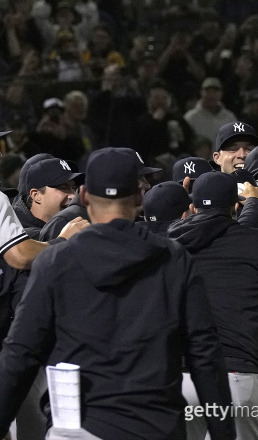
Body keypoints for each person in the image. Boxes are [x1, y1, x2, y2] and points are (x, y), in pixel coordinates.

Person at [0, 147, 235, 440]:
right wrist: (223, 432)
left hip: (78, 429)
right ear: (139, 197)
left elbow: (21, 353)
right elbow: (205, 356)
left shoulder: (56, 261)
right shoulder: (173, 258)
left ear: (84, 196)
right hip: (155, 427)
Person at [168, 171, 258, 440]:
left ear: (192, 208)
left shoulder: (169, 245)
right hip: (235, 377)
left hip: (182, 379)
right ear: (235, 206)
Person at [16, 158, 84, 238]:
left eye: (73, 187)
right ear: (36, 195)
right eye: (63, 188)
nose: (73, 195)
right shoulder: (17, 235)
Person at [184, 77, 237, 145]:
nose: (212, 95)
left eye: (215, 91)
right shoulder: (190, 118)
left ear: (221, 94)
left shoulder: (230, 117)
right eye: (208, 91)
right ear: (201, 93)